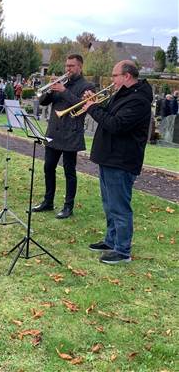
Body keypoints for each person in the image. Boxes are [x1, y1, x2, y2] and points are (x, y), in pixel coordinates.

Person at [83, 60, 152, 264]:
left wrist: (93, 108)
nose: (111, 80)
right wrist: (96, 103)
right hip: (109, 157)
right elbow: (112, 114)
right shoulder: (123, 95)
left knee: (120, 207)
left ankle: (122, 251)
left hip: (122, 160)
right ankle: (111, 240)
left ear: (127, 76)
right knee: (109, 204)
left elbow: (116, 125)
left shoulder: (138, 100)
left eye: (114, 76)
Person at [32, 54, 95, 219]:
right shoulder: (61, 84)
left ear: (80, 67)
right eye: (67, 66)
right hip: (54, 132)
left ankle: (68, 207)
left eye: (72, 66)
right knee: (48, 168)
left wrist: (64, 91)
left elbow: (82, 105)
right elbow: (44, 102)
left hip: (71, 134)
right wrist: (49, 89)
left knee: (69, 171)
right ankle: (48, 201)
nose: (68, 69)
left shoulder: (87, 86)